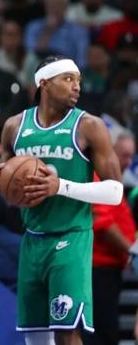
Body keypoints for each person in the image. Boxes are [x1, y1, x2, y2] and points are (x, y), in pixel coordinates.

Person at [0, 55, 123, 345]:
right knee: (34, 336)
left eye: (78, 80)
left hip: (71, 238)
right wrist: (0, 182)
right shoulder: (14, 127)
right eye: (68, 79)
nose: (76, 86)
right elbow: (5, 180)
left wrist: (61, 187)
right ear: (44, 83)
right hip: (32, 238)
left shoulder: (89, 126)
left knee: (67, 333)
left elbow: (115, 192)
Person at [86, 129, 136, 345]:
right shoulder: (98, 178)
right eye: (124, 156)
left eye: (131, 156)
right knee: (102, 333)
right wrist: (131, 250)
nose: (128, 162)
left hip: (110, 269)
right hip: (98, 269)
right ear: (110, 151)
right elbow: (102, 222)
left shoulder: (113, 180)